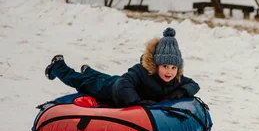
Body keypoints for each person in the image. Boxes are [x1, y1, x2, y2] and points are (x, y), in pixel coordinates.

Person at [44, 27, 200, 107]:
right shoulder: (141, 71)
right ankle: (58, 66)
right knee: (82, 82)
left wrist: (181, 91)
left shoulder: (175, 79)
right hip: (110, 91)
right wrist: (136, 102)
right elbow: (123, 84)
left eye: (173, 68)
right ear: (156, 64)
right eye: (165, 66)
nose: (169, 71)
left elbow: (194, 84)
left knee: (101, 77)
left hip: (114, 82)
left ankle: (89, 71)